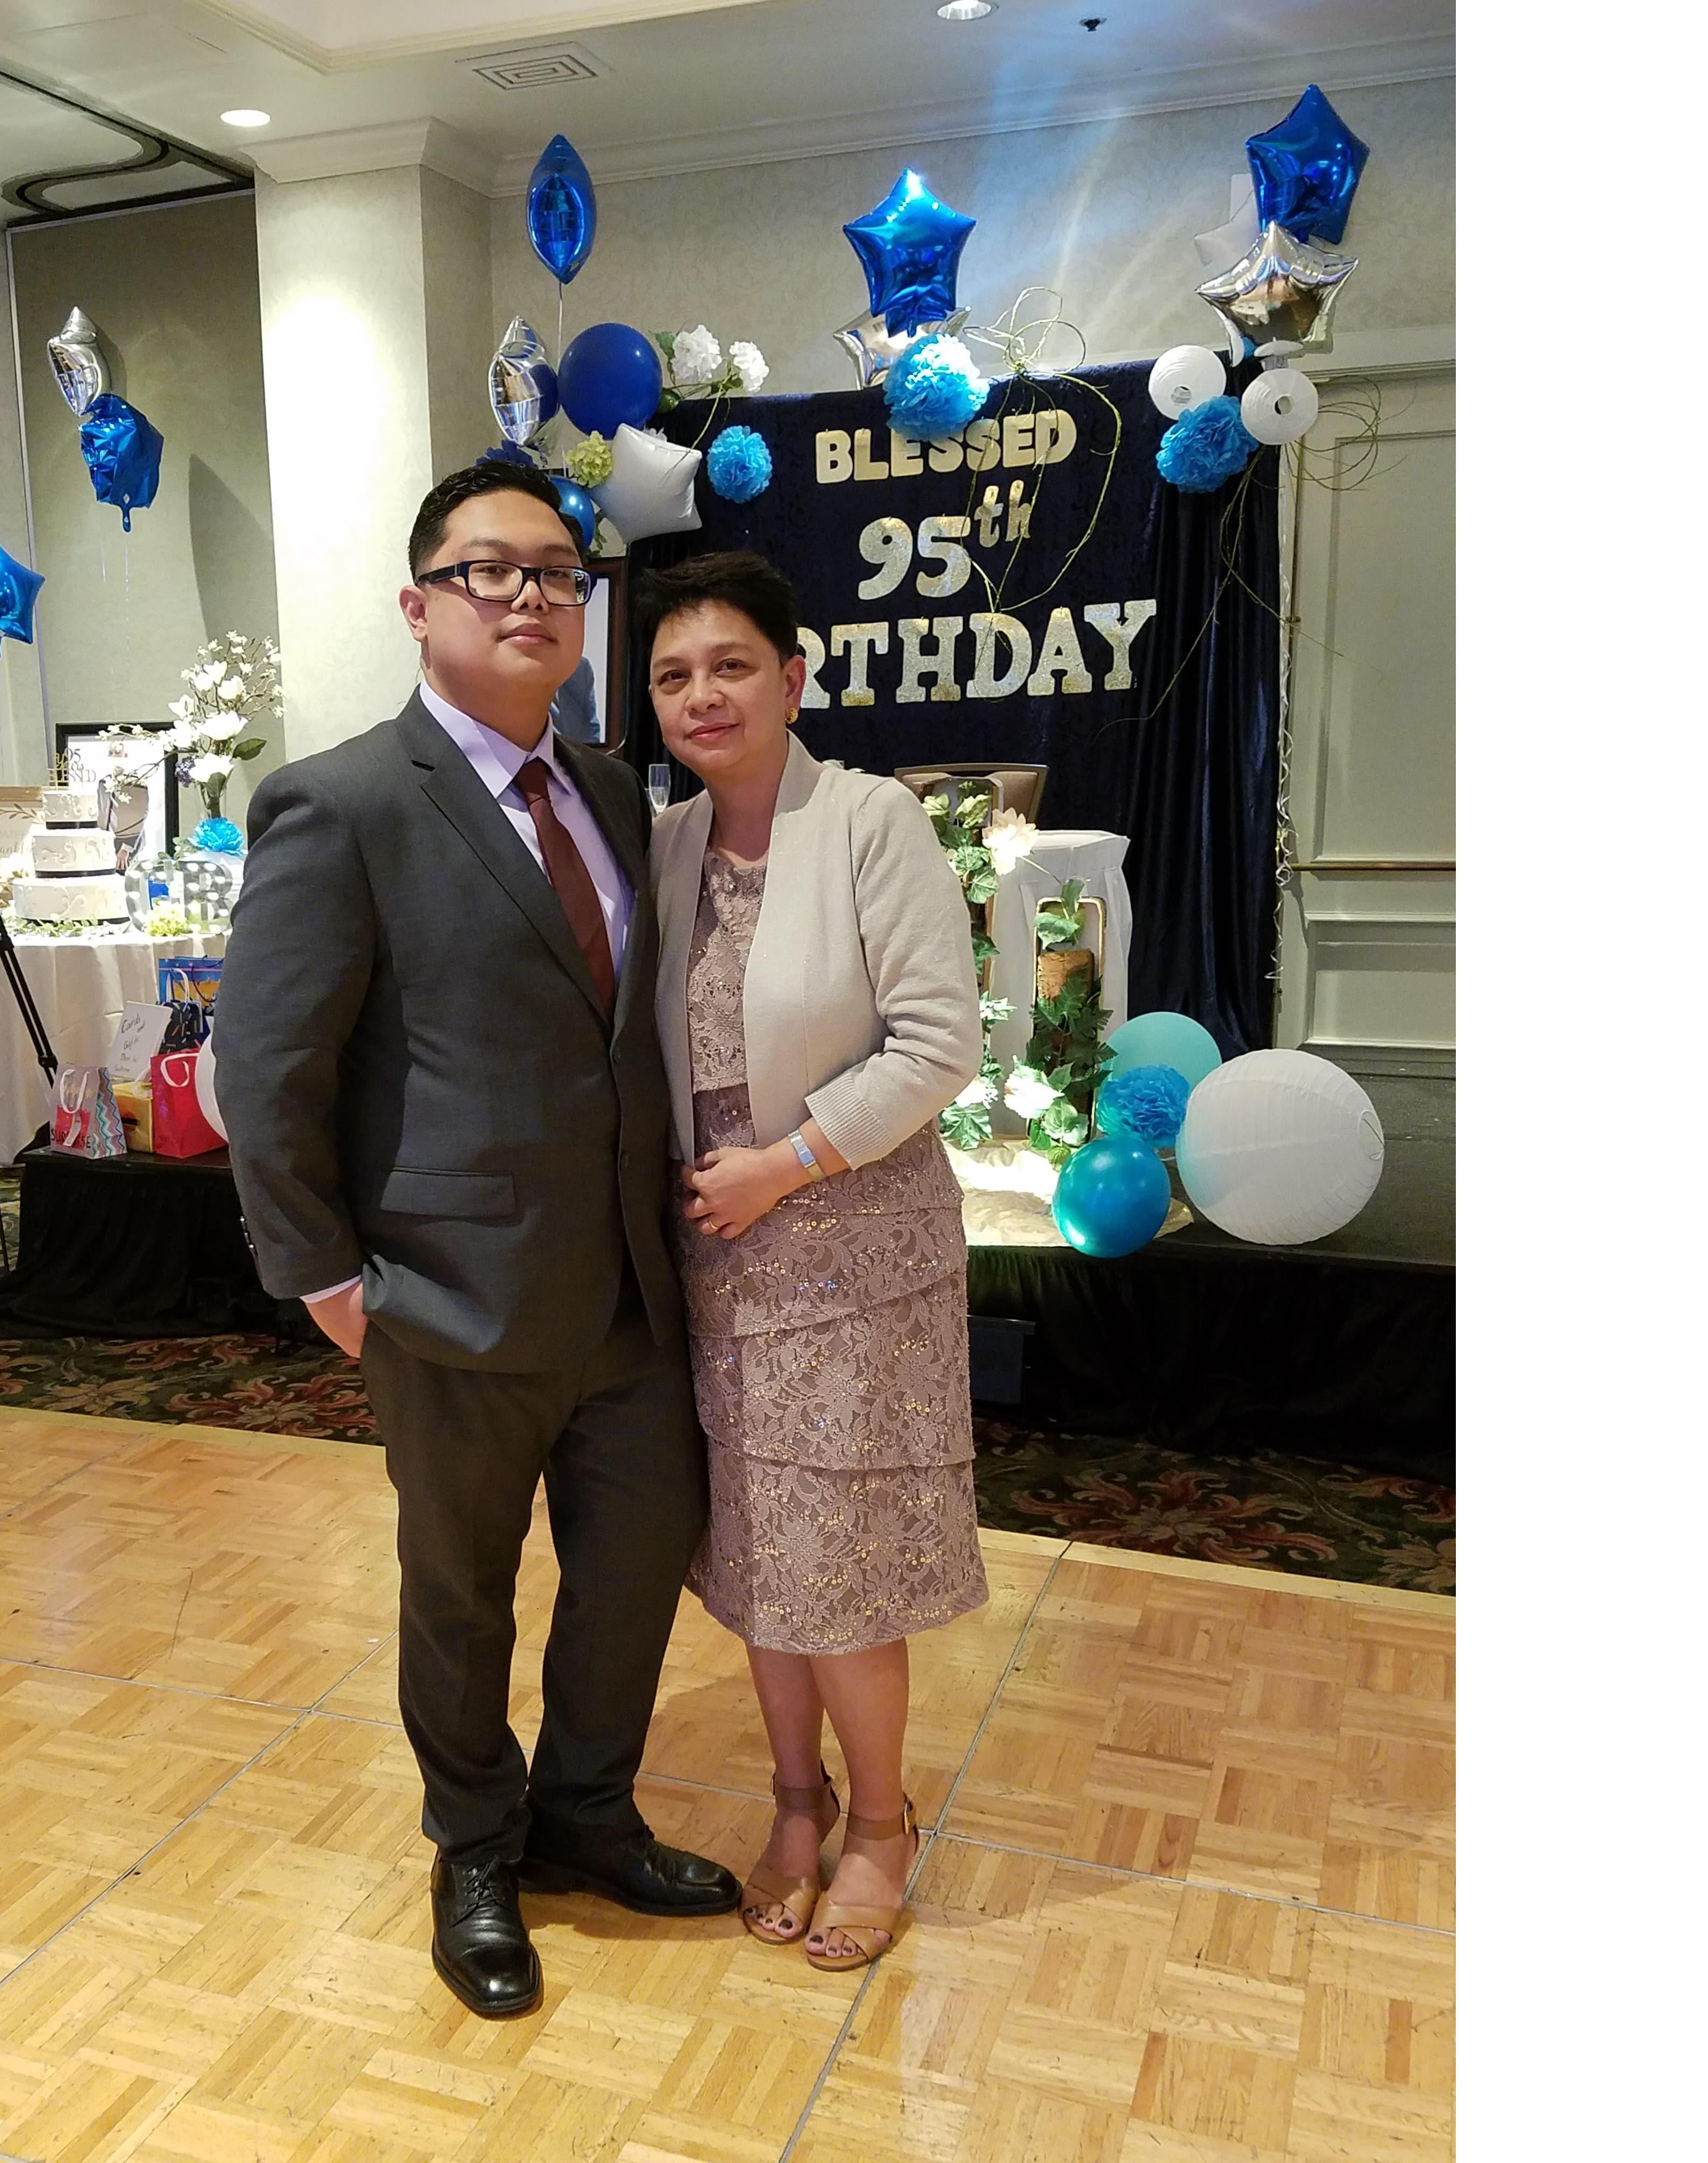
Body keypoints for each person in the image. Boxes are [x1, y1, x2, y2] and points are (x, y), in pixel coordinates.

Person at [211, 463, 738, 2024]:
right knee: (460, 1597)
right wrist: (317, 1271)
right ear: (420, 601)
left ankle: (587, 1814)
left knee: (637, 1569)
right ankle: (476, 1847)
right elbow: (267, 1064)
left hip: (633, 1290)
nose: (528, 597)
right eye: (490, 571)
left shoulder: (614, 789)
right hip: (447, 1296)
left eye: (558, 576)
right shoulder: (345, 800)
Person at [639, 550, 989, 1974]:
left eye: (732, 665)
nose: (704, 694)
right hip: (716, 1256)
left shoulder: (869, 822)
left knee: (837, 1558)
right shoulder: (661, 847)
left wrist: (784, 1166)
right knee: (757, 1551)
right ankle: (798, 1802)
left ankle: (884, 1828)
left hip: (853, 1243)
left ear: (794, 676)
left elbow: (939, 1044)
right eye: (673, 675)